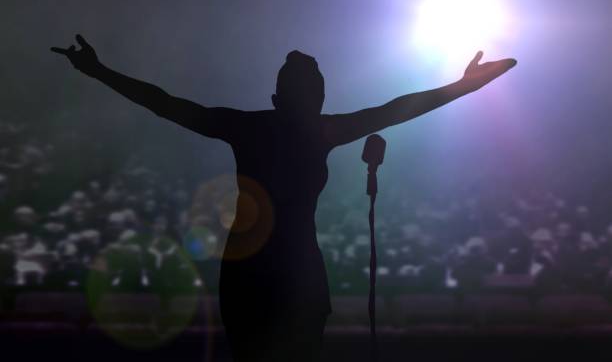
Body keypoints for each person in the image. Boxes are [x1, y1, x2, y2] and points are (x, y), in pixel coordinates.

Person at [51, 34, 516, 362]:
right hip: (295, 270)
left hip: (248, 269)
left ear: (276, 98)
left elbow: (165, 103)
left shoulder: (250, 126)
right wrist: (464, 85)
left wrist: (98, 71)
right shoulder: (324, 129)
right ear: (317, 98)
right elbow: (398, 109)